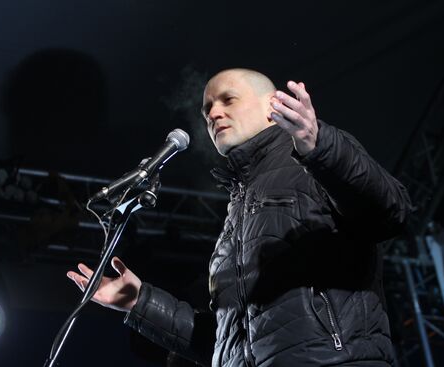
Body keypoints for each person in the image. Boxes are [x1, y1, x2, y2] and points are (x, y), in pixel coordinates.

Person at [67, 68, 412, 366]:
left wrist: (320, 145)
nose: (213, 113)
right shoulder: (237, 212)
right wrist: (140, 302)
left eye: (227, 100)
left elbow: (392, 211)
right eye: (206, 109)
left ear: (273, 104)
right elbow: (225, 344)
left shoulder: (316, 159)